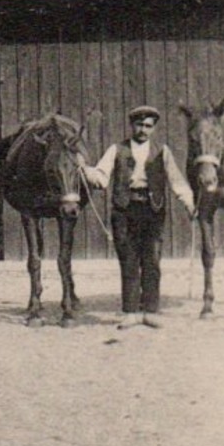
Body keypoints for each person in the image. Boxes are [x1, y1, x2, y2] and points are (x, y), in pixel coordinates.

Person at [85, 105, 196, 330]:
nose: (143, 130)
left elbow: (176, 180)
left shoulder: (161, 151)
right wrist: (87, 171)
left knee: (152, 261)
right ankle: (130, 312)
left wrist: (189, 202)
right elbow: (102, 176)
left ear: (153, 128)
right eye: (139, 125)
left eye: (148, 126)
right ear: (132, 125)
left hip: (152, 210)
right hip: (124, 211)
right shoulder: (116, 149)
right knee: (129, 260)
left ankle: (151, 311)